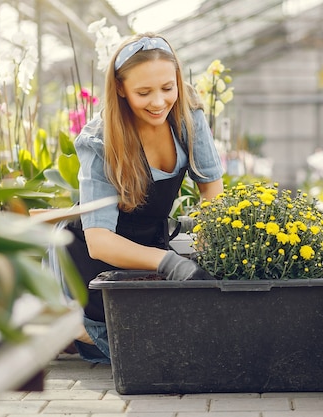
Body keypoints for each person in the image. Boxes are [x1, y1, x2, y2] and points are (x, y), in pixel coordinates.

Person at [62, 33, 224, 363]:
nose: (158, 102)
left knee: (181, 341)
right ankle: (69, 326)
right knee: (136, 352)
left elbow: (212, 192)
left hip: (148, 243)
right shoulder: (100, 139)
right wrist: (168, 263)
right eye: (143, 93)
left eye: (167, 88)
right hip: (91, 262)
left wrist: (213, 246)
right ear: (120, 89)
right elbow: (99, 241)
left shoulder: (187, 117)